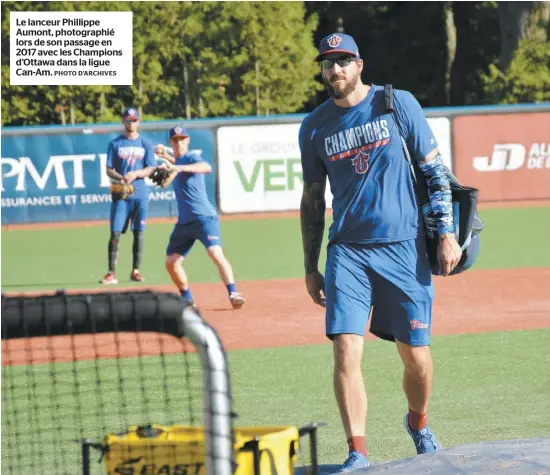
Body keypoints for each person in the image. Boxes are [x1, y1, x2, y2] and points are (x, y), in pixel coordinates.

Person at [298, 33, 462, 472]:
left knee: (417, 359)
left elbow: (433, 172)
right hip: (347, 252)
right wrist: (310, 266)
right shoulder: (313, 126)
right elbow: (313, 200)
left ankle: (418, 422)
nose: (335, 70)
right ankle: (358, 452)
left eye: (344, 61)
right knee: (345, 351)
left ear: (360, 64)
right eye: (328, 62)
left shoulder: (397, 103)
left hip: (405, 249)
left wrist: (446, 233)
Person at [155, 126, 246, 309]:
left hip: (205, 218)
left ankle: (233, 292)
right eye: (175, 140)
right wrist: (166, 157)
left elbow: (206, 167)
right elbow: (175, 164)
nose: (179, 142)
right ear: (171, 142)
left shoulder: (191, 158)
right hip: (184, 223)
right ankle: (187, 298)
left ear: (187, 140)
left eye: (182, 139)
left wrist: (176, 166)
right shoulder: (177, 161)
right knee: (171, 263)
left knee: (214, 252)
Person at [100, 107, 156, 285]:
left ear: (138, 122)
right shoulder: (115, 144)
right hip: (121, 195)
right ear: (123, 121)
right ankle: (111, 273)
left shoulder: (145, 144)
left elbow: (151, 168)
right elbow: (109, 169)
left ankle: (136, 271)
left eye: (134, 120)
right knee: (115, 233)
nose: (131, 123)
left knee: (139, 233)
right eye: (128, 120)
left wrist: (135, 174)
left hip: (140, 194)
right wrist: (121, 177)